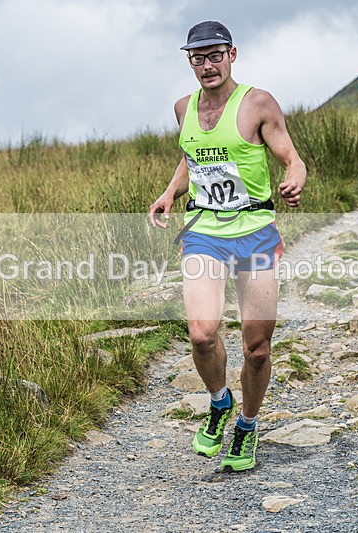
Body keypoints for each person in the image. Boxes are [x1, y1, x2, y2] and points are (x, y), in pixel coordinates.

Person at [148, 20, 306, 472]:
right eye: (198, 58)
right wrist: (170, 193)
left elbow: (292, 158)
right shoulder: (183, 108)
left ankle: (247, 426)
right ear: (189, 61)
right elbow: (192, 156)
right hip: (204, 232)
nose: (208, 65)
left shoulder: (258, 103)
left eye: (215, 55)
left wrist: (294, 179)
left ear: (232, 55)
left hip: (255, 232)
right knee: (201, 334)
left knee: (257, 348)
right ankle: (219, 401)